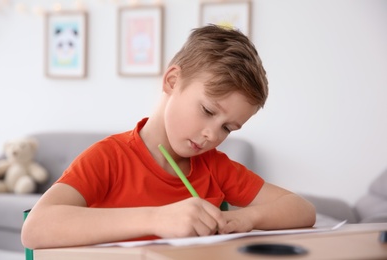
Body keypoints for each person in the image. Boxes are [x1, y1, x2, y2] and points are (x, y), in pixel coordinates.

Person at [21, 25, 316, 249]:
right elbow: (35, 228)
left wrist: (245, 219)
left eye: (229, 128)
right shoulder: (108, 158)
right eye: (208, 110)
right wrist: (156, 218)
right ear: (172, 81)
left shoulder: (215, 167)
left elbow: (302, 210)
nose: (212, 134)